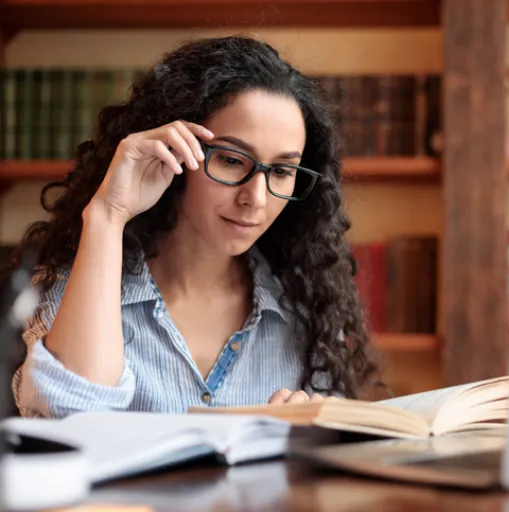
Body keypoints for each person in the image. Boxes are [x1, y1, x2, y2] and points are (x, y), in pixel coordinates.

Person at [9, 35, 382, 418]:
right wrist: (107, 215)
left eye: (282, 171)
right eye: (233, 161)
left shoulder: (307, 309)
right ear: (175, 149)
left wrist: (303, 444)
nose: (255, 198)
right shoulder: (78, 289)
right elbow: (71, 419)